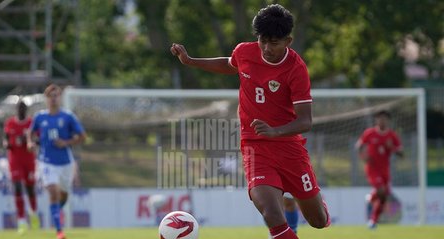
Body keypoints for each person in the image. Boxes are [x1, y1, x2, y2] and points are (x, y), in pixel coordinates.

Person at [171, 4, 330, 239]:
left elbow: (306, 121)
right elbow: (230, 64)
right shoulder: (245, 52)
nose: (266, 48)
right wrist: (191, 61)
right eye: (262, 41)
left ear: (288, 40)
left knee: (317, 221)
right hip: (254, 146)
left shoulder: (296, 69)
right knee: (271, 214)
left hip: (289, 148)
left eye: (273, 43)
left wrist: (275, 132)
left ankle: (315, 206)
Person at [27, 84, 86, 239]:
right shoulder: (40, 117)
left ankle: (55, 211)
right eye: (50, 96)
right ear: (46, 98)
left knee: (64, 195)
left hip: (66, 163)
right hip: (46, 162)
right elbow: (31, 133)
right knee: (53, 191)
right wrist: (30, 143)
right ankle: (59, 231)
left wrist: (66, 142)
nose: (53, 99)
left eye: (56, 95)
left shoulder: (68, 117)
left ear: (60, 98)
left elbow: (82, 136)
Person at [355, 110, 403, 229]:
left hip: (385, 170)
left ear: (388, 121)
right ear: (376, 120)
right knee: (381, 191)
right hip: (372, 169)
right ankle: (372, 198)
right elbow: (359, 146)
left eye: (385, 119)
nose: (382, 121)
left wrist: (391, 148)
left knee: (383, 196)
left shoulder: (392, 136)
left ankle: (373, 219)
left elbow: (401, 153)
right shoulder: (369, 133)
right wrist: (363, 157)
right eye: (380, 118)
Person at [3, 100, 40, 234]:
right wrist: (6, 144)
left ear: (26, 110)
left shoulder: (31, 123)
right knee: (18, 188)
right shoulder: (10, 123)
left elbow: (38, 139)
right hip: (15, 160)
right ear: (16, 110)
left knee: (30, 188)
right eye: (19, 108)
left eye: (23, 108)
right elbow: (6, 139)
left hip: (28, 160)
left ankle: (34, 214)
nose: (21, 110)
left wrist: (28, 141)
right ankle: (22, 221)